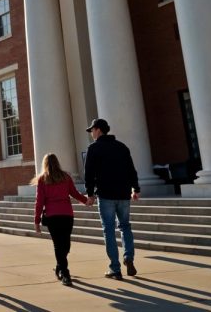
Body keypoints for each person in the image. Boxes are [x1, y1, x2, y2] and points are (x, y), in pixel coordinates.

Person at [83, 118, 140, 280]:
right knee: (125, 227)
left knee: (109, 230)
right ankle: (128, 257)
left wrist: (90, 194)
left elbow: (89, 174)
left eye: (92, 130)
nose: (91, 134)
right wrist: (136, 189)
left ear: (98, 130)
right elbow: (131, 170)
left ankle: (115, 267)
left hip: (106, 195)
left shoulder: (93, 149)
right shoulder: (122, 147)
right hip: (123, 194)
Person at [32, 152, 90, 287]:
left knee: (60, 245)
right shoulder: (64, 177)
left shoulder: (44, 179)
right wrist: (85, 200)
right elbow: (74, 193)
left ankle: (60, 267)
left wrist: (36, 221)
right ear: (57, 162)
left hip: (54, 217)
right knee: (64, 244)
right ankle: (65, 272)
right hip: (66, 215)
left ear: (44, 164)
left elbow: (39, 202)